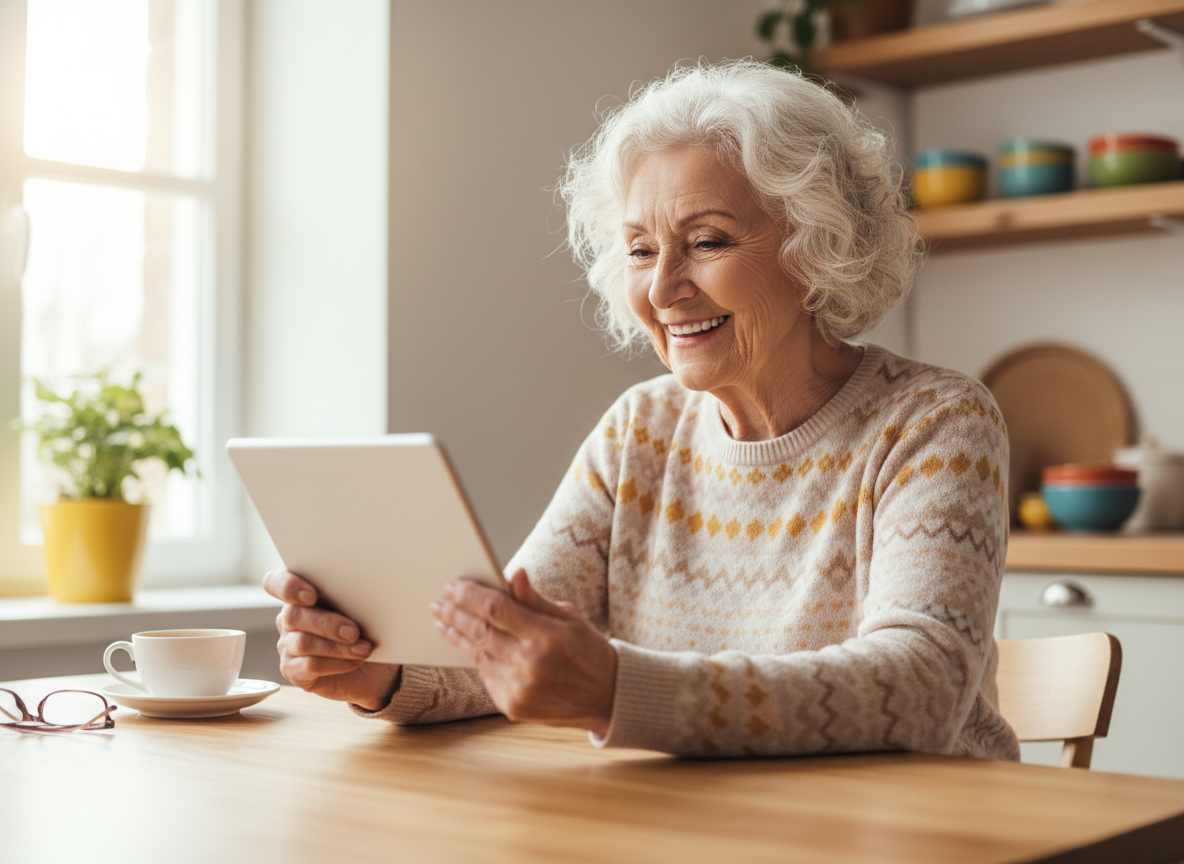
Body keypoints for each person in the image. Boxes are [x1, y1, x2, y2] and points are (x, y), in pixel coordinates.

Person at [263, 60, 1020, 760]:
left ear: (816, 244)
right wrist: (381, 674)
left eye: (706, 242)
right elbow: (510, 652)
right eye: (639, 250)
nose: (662, 290)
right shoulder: (640, 431)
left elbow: (922, 687)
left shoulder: (935, 423)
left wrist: (619, 689)